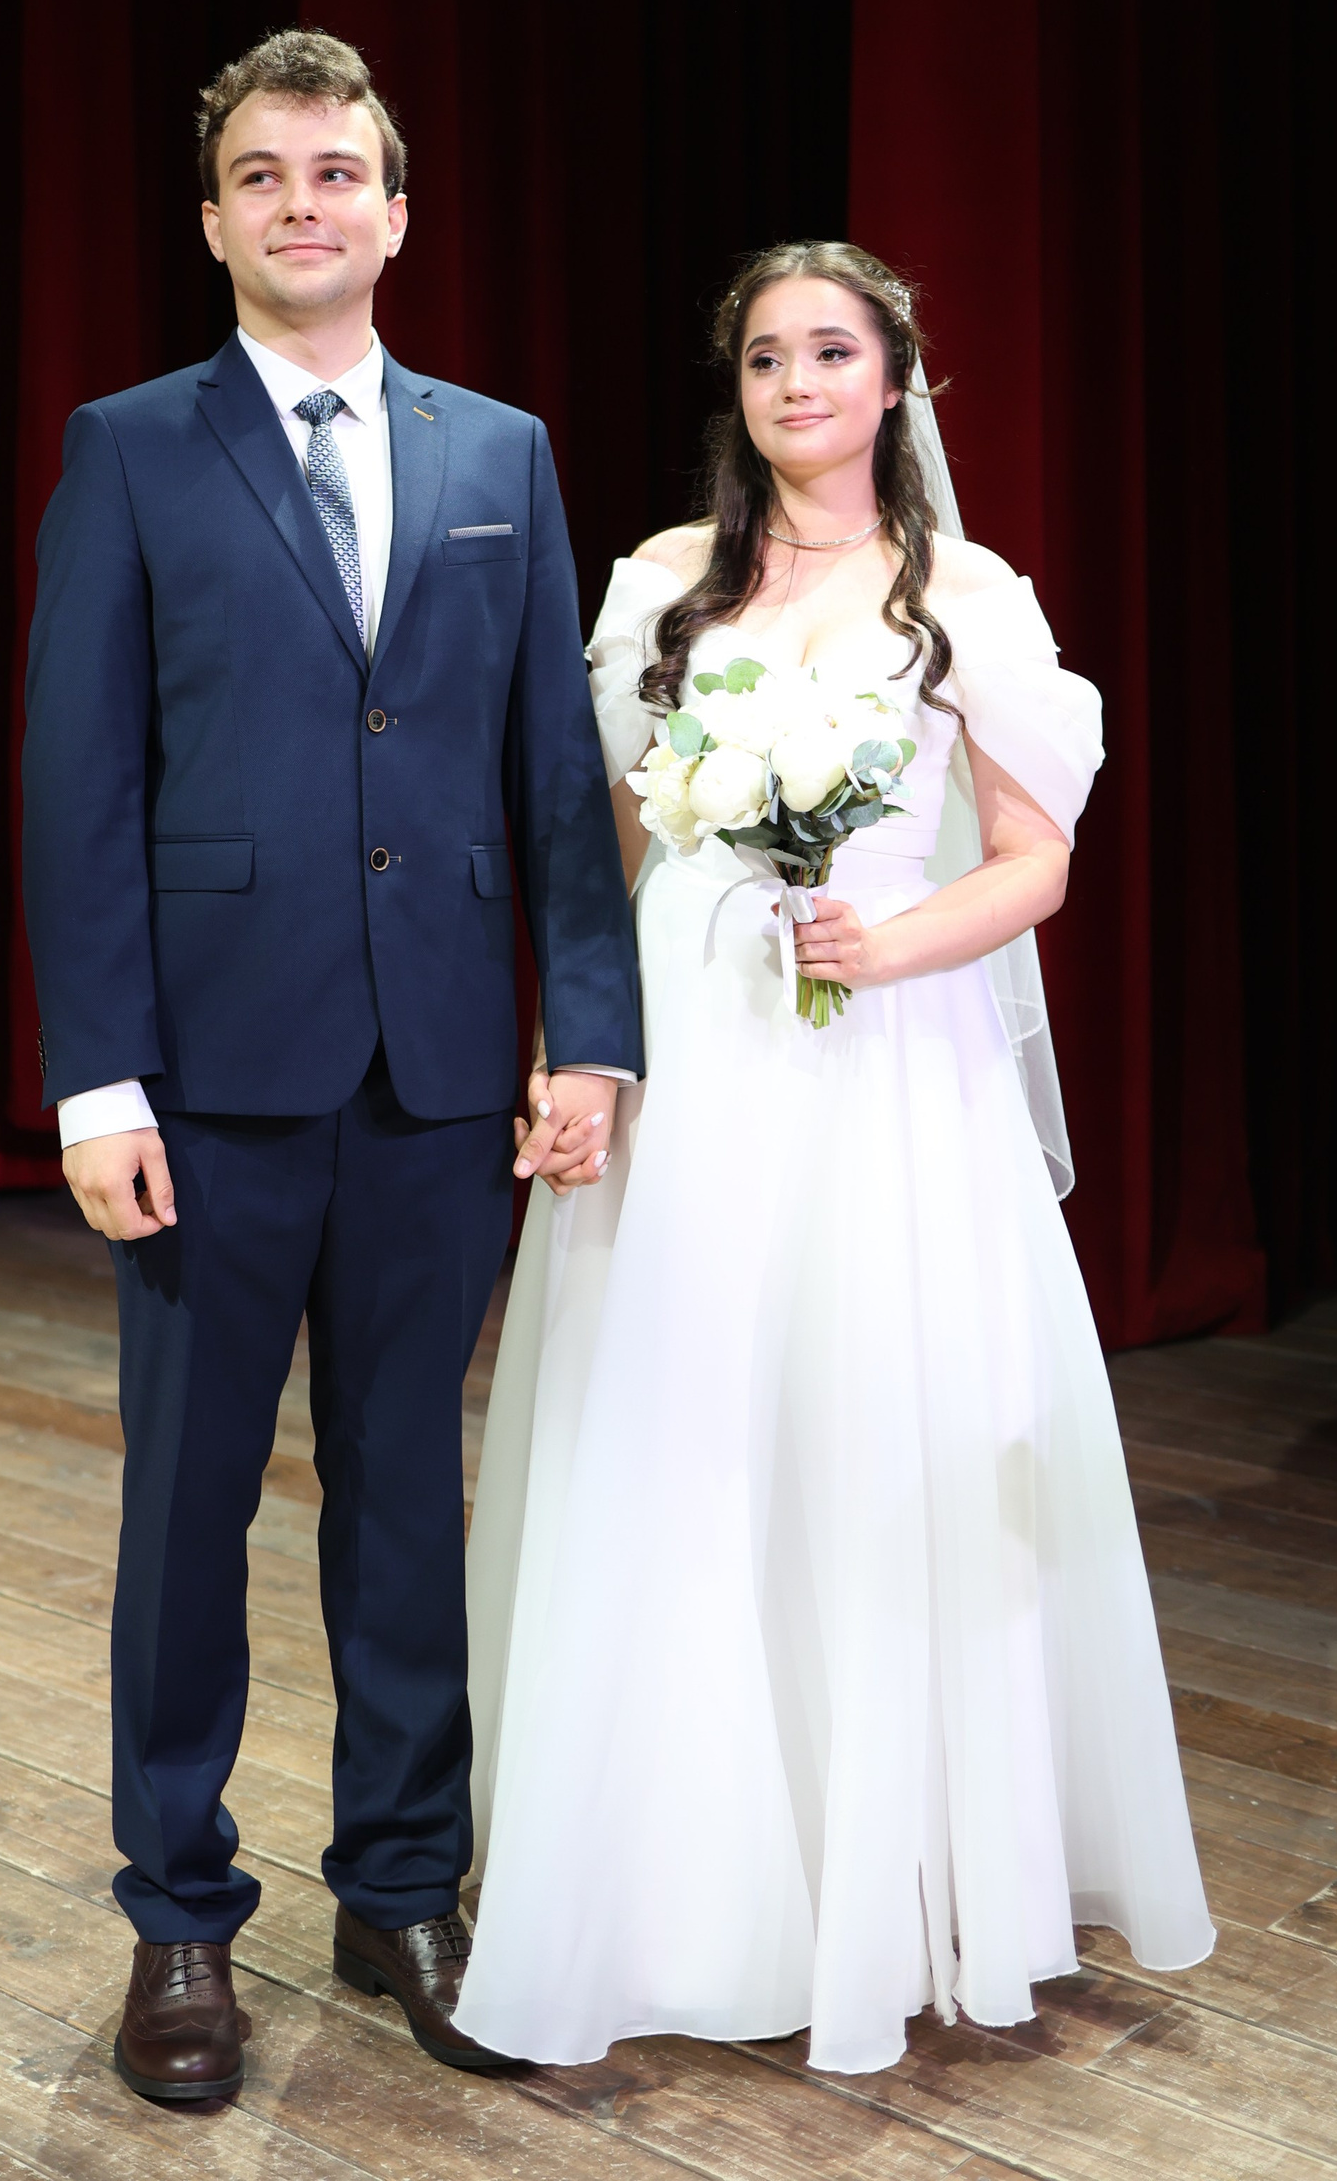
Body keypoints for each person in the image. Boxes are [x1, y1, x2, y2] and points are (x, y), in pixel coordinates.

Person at [457, 240, 1215, 2074]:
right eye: (767, 359)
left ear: (893, 380)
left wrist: (891, 942)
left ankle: (886, 1871)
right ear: (738, 392)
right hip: (690, 1055)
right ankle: (673, 1888)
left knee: (864, 1422)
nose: (798, 384)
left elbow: (1033, 862)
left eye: (831, 352)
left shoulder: (967, 595)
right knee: (679, 1424)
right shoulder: (664, 586)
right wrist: (576, 1051)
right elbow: (607, 860)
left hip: (884, 1061)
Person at [21, 28, 642, 2101]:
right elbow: (80, 786)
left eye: (339, 171)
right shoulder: (131, 448)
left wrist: (588, 1034)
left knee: (405, 1507)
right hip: (208, 1080)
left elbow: (553, 776)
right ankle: (181, 1918)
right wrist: (99, 1078)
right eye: (265, 175)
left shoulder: (502, 455)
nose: (306, 203)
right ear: (213, 219)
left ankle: (400, 1890)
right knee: (187, 1510)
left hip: (439, 1073)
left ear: (395, 211)